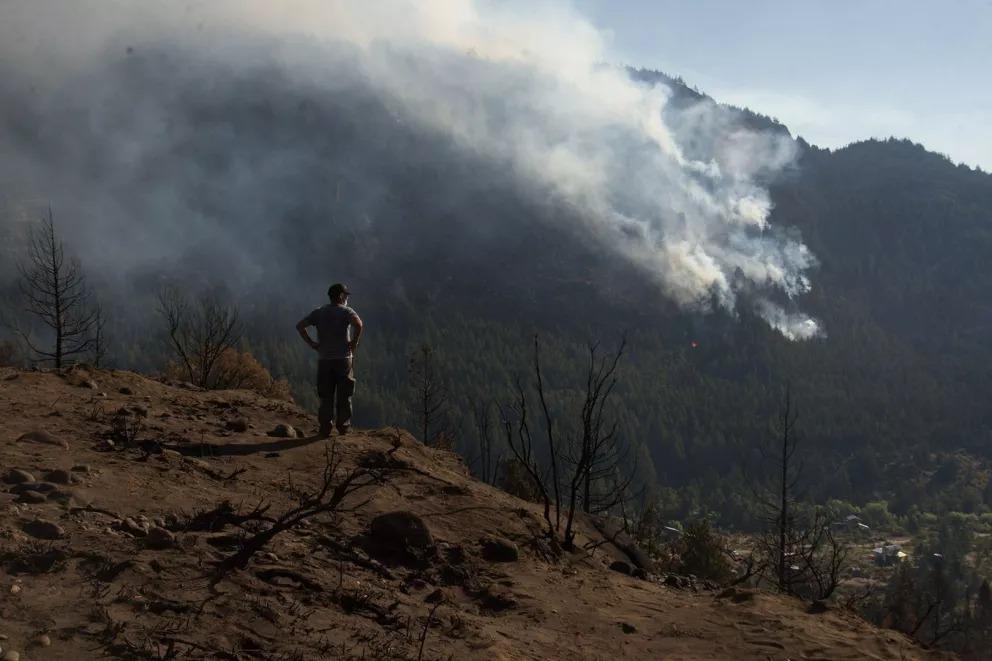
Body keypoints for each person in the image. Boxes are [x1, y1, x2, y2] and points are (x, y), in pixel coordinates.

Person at [296, 283, 363, 438]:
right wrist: (354, 343)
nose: (347, 298)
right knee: (344, 395)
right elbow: (359, 325)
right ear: (340, 296)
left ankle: (325, 428)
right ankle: (343, 428)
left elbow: (300, 326)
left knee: (326, 395)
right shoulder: (346, 311)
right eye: (345, 295)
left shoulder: (319, 312)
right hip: (343, 359)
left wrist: (312, 344)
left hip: (325, 359)